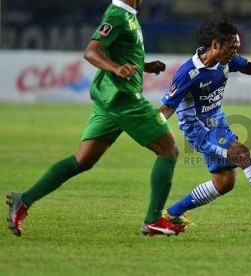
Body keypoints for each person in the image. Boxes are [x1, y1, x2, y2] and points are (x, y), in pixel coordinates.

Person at [6, 0, 185, 237]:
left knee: (82, 160)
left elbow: (119, 51)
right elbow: (91, 51)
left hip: (109, 99)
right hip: (125, 100)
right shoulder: (118, 14)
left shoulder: (128, 14)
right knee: (169, 151)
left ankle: (23, 200)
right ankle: (153, 220)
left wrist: (144, 66)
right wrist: (115, 68)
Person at [157, 14, 251, 228]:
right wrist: (150, 127)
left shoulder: (226, 60)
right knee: (243, 154)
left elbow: (245, 65)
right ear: (216, 44)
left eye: (237, 47)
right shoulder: (189, 73)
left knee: (224, 183)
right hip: (200, 130)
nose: (235, 52)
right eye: (232, 47)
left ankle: (173, 212)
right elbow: (168, 107)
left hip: (218, 123)